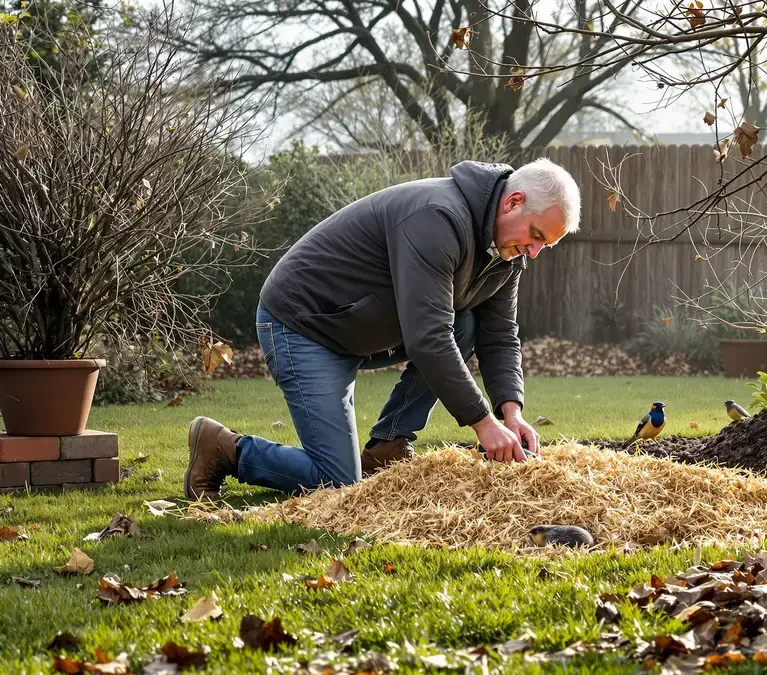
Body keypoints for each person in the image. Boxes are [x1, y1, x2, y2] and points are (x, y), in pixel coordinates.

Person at [183, 158, 581, 500]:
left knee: (468, 323)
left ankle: (388, 446)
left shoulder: (506, 255)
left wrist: (510, 412)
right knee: (336, 481)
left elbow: (498, 335)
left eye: (546, 245)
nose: (534, 252)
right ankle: (224, 448)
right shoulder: (437, 217)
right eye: (536, 236)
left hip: (360, 327)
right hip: (303, 324)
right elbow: (427, 338)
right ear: (513, 202)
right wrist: (484, 424)